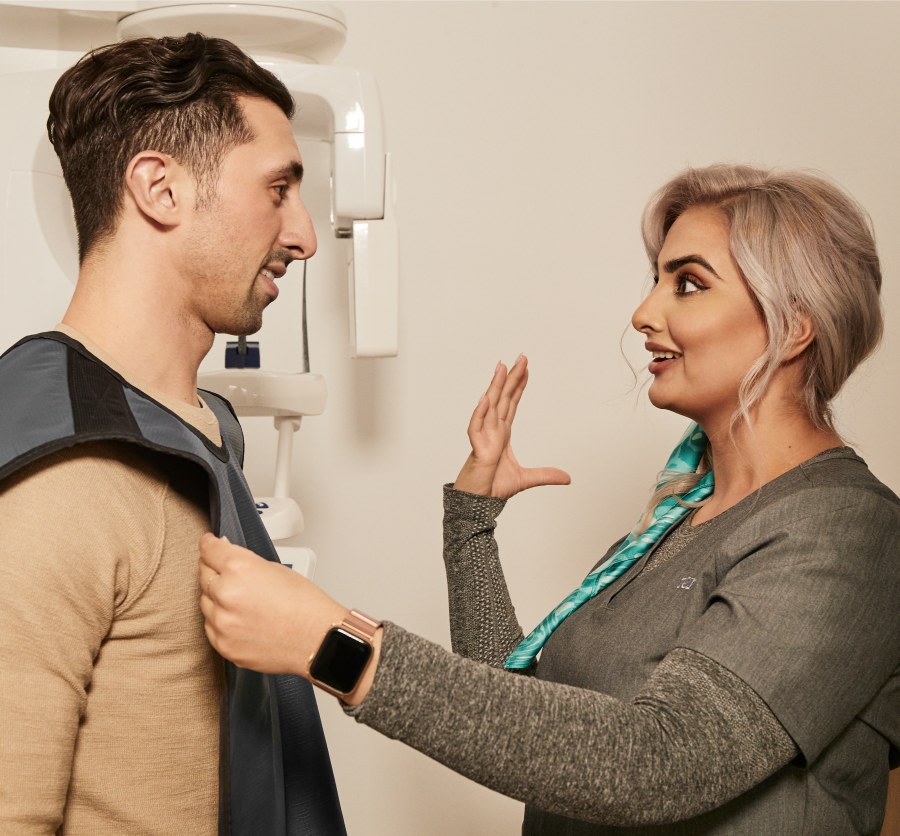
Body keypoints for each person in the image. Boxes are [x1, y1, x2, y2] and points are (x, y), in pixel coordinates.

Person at [199, 164, 899, 834]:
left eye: (687, 284)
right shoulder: (678, 521)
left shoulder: (843, 530)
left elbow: (658, 763)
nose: (643, 312)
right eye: (655, 279)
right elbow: (526, 718)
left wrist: (335, 646)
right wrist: (472, 522)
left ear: (795, 325)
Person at [0, 34, 345, 834]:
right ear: (160, 188)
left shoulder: (198, 435)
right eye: (278, 189)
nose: (304, 236)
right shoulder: (62, 480)